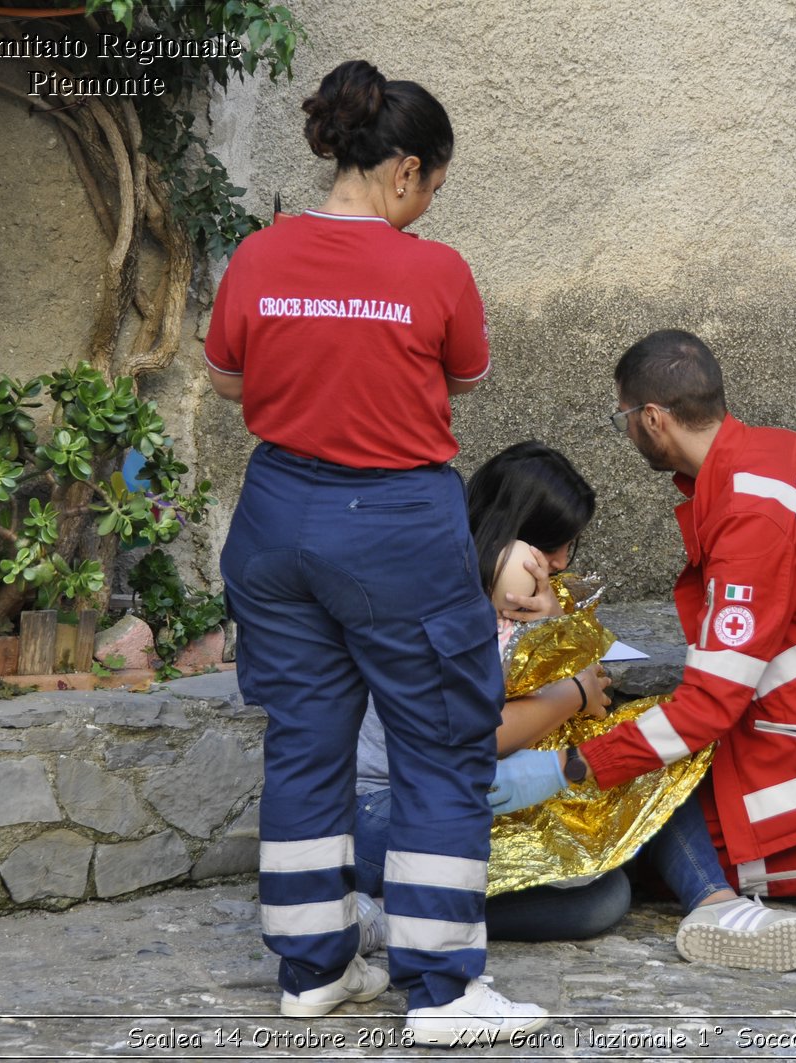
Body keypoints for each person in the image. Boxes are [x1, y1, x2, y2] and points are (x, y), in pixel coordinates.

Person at [203, 59, 545, 1044]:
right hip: (396, 525)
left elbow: (228, 381)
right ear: (402, 172)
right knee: (440, 744)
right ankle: (441, 989)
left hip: (275, 519)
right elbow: (465, 376)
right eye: (433, 186)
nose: (431, 204)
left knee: (306, 742)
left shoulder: (261, 255)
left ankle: (314, 971)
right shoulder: (432, 271)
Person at [490, 329, 796, 928]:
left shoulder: (750, 515)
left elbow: (707, 708)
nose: (624, 431)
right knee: (663, 808)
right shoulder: (782, 451)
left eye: (622, 416)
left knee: (662, 835)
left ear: (653, 418)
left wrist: (568, 767)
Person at [356, 441, 796, 971]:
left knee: (635, 790)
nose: (559, 561)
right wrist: (571, 695)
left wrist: (555, 624)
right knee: (597, 901)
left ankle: (715, 903)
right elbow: (468, 735)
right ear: (504, 531)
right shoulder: (439, 596)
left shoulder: (522, 594)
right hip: (394, 811)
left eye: (568, 546)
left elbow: (571, 689)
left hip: (474, 789)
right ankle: (382, 917)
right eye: (550, 545)